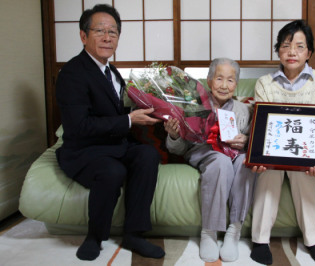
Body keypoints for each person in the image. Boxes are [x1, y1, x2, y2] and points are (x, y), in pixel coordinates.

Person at [55, 4, 165, 261]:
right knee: (112, 170)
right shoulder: (72, 73)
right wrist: (128, 119)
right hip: (84, 150)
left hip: (114, 145)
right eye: (100, 31)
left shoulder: (112, 72)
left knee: (148, 156)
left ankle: (134, 234)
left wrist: (157, 110)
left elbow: (117, 112)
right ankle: (95, 235)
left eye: (113, 32)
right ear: (83, 36)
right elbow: (78, 127)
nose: (107, 38)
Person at [250, 20, 315, 265]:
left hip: (305, 152)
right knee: (268, 172)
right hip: (274, 150)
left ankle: (313, 240)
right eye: (286, 46)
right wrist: (259, 157)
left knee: (306, 172)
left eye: (299, 46)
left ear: (309, 52)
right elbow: (260, 127)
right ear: (278, 50)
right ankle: (260, 240)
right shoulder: (265, 83)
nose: (292, 52)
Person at [164, 58, 256, 262]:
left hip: (235, 154)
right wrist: (174, 136)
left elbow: (253, 142)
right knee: (220, 161)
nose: (224, 85)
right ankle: (209, 232)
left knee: (245, 163)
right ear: (209, 81)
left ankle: (234, 230)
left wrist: (246, 141)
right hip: (204, 153)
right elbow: (178, 149)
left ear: (237, 84)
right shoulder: (192, 105)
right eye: (219, 78)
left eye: (230, 80)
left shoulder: (243, 110)